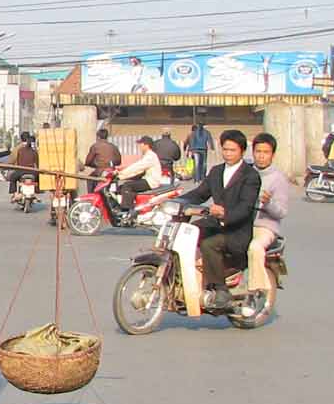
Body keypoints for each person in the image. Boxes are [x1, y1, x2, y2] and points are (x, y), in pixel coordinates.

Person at [175, 129, 261, 311]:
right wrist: (177, 201)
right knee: (187, 233)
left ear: (242, 151)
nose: (228, 154)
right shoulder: (216, 171)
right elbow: (200, 193)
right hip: (215, 223)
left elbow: (245, 208)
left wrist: (225, 214)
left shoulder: (250, 176)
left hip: (236, 231)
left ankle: (221, 289)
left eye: (232, 150)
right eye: (225, 149)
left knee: (209, 244)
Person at [247, 132, 289, 317]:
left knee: (255, 247)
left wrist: (268, 202)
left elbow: (282, 212)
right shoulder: (245, 172)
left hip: (265, 226)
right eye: (258, 151)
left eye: (266, 152)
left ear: (272, 154)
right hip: (241, 223)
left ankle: (255, 292)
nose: (261, 155)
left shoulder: (278, 179)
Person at [114, 136, 166, 218]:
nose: (139, 146)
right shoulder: (147, 155)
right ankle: (131, 206)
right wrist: (122, 175)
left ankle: (127, 211)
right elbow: (137, 171)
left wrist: (121, 174)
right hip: (147, 180)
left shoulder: (150, 156)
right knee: (121, 187)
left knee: (127, 186)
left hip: (150, 182)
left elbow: (137, 167)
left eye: (141, 144)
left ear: (146, 145)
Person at [8, 131, 39, 200]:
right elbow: (37, 163)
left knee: (12, 177)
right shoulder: (34, 150)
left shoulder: (18, 149)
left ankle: (15, 194)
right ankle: (36, 191)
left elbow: (12, 161)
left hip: (20, 170)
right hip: (32, 171)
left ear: (21, 139)